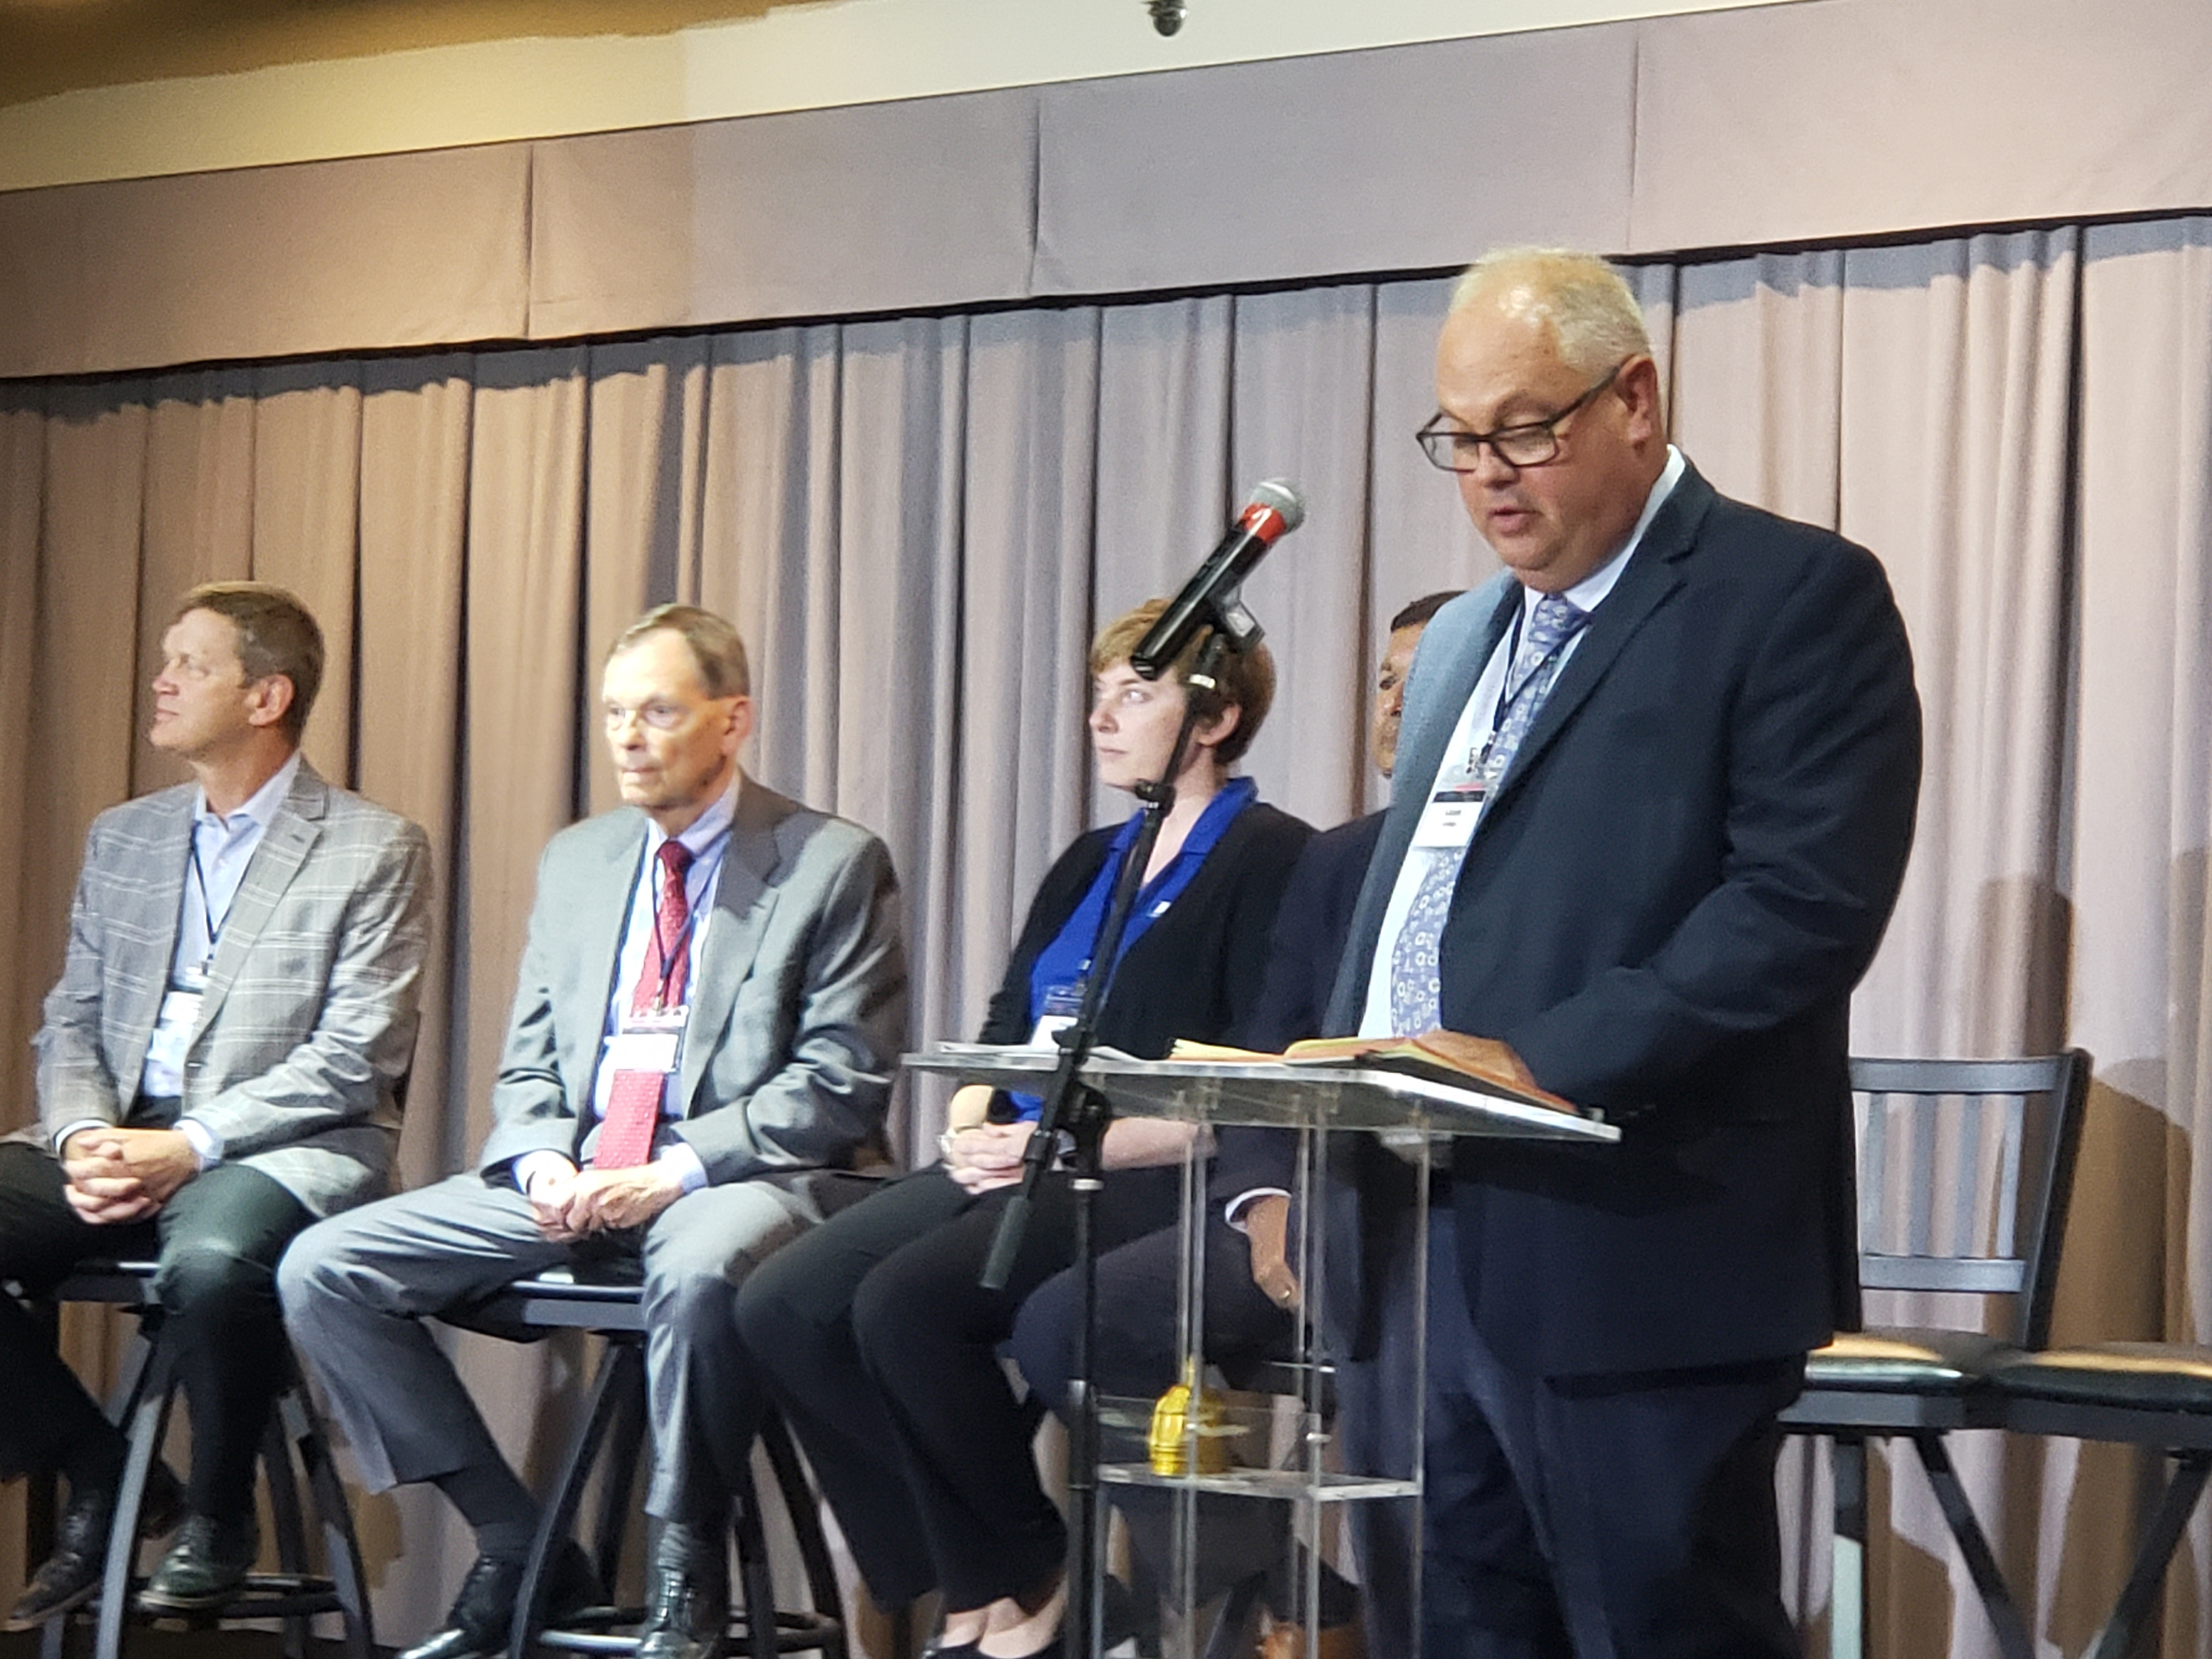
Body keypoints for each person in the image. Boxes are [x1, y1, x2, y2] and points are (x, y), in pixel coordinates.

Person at [1332, 247, 1922, 1659]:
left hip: (1634, 1231)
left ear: (1636, 398)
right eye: (1459, 441)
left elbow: (1802, 904)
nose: (1487, 473)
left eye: (1524, 429)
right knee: (1454, 1625)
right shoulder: (1467, 636)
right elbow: (1418, 889)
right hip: (1418, 1228)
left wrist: (1542, 1058)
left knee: (1656, 1625)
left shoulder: (1791, 596)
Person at [280, 604, 907, 1659]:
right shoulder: (579, 861)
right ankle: (521, 1545)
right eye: (615, 712)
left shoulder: (830, 862)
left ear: (733, 719)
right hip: (582, 1174)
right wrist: (540, 1160)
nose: (627, 735)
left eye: (659, 711)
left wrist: (671, 1169)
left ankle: (683, 1557)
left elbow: (838, 1085)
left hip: (744, 1173)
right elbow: (528, 1063)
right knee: (325, 1267)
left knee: (703, 1267)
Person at [735, 600, 1310, 1659]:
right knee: (783, 1303)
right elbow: (1005, 1029)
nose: (1100, 717)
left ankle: (1002, 1597)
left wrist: (1073, 1147)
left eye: (1132, 694)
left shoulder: (1276, 859)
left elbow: (1243, 1090)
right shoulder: (1092, 858)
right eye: (1097, 694)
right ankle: (1003, 1572)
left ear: (1214, 717)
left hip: (1142, 1171)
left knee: (905, 1306)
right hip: (1017, 1154)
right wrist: (966, 1126)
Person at [1006, 589, 1459, 1657]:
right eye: (1386, 681)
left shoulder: (1546, 864)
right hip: (1315, 1211)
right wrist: (1265, 1199)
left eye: (1422, 679)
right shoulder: (1343, 858)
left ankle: (1304, 1600)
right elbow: (1266, 1056)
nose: (1392, 704)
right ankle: (1278, 1586)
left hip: (1465, 1226)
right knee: (1052, 1317)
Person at [0, 583, 431, 1626]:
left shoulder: (372, 847)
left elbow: (352, 1058)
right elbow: (74, 1018)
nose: (162, 679)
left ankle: (223, 1513)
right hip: (116, 1132)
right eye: (165, 658)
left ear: (266, 696)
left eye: (191, 664)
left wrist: (190, 1145)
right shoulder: (127, 838)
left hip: (280, 1144)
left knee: (210, 1262)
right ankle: (106, 1472)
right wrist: (86, 1133)